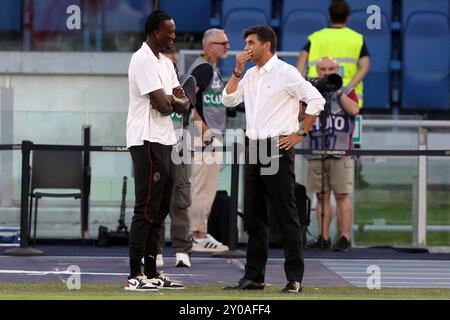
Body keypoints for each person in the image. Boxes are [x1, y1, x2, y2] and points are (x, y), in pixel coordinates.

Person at [222, 25, 325, 293]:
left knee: (286, 215)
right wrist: (236, 71)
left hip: (276, 146)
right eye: (246, 43)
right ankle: (254, 277)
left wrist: (301, 133)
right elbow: (229, 100)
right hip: (253, 145)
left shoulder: (286, 72)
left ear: (267, 45)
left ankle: (295, 278)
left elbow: (316, 100)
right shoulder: (251, 75)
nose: (247, 48)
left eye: (251, 42)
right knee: (254, 217)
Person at [125, 10, 190, 291]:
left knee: (161, 207)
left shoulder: (165, 62)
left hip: (165, 139)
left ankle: (152, 272)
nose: (173, 36)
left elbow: (184, 102)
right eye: (169, 31)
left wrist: (171, 101)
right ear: (155, 33)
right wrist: (171, 101)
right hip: (146, 139)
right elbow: (166, 106)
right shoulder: (141, 60)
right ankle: (134, 275)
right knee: (146, 207)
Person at [302, 57, 359, 252]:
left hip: (340, 151)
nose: (326, 73)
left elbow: (354, 110)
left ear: (337, 70)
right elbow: (299, 115)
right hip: (315, 150)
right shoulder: (309, 91)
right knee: (321, 195)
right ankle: (323, 237)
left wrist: (338, 91)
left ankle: (344, 237)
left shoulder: (348, 90)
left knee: (342, 195)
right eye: (323, 69)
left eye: (330, 69)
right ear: (317, 71)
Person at [186, 28, 230, 252]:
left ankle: (198, 233)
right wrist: (204, 129)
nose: (228, 47)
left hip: (208, 136)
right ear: (209, 45)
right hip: (204, 137)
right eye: (223, 43)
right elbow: (187, 100)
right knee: (203, 188)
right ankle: (198, 235)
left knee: (205, 187)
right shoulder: (203, 68)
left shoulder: (211, 69)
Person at [155, 47, 195, 268]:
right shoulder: (150, 78)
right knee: (155, 199)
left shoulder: (186, 80)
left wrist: (167, 98)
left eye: (169, 59)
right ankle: (155, 249)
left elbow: (183, 106)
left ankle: (181, 250)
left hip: (177, 147)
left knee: (179, 200)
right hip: (155, 145)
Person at [296, 0, 370, 107]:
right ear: (347, 17)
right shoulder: (357, 39)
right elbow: (365, 67)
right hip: (348, 100)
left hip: (317, 94)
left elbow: (301, 60)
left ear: (330, 16)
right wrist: (346, 89)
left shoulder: (316, 37)